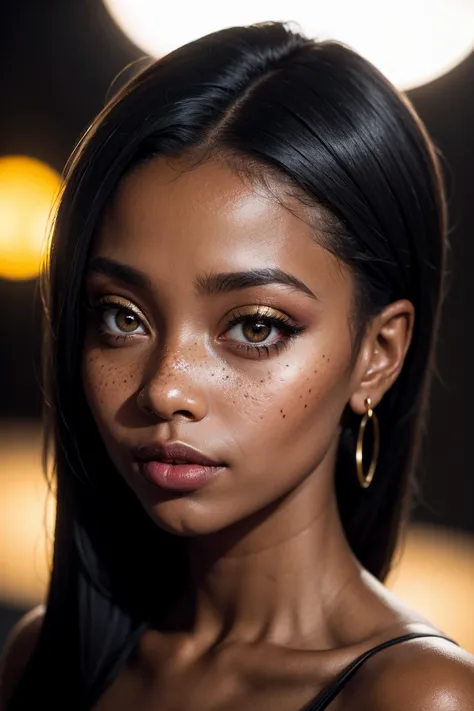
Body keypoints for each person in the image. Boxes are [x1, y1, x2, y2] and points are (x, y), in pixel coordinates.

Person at [1, 20, 473, 711]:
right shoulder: (46, 658)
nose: (165, 387)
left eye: (255, 326)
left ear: (378, 355)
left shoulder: (414, 696)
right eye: (121, 316)